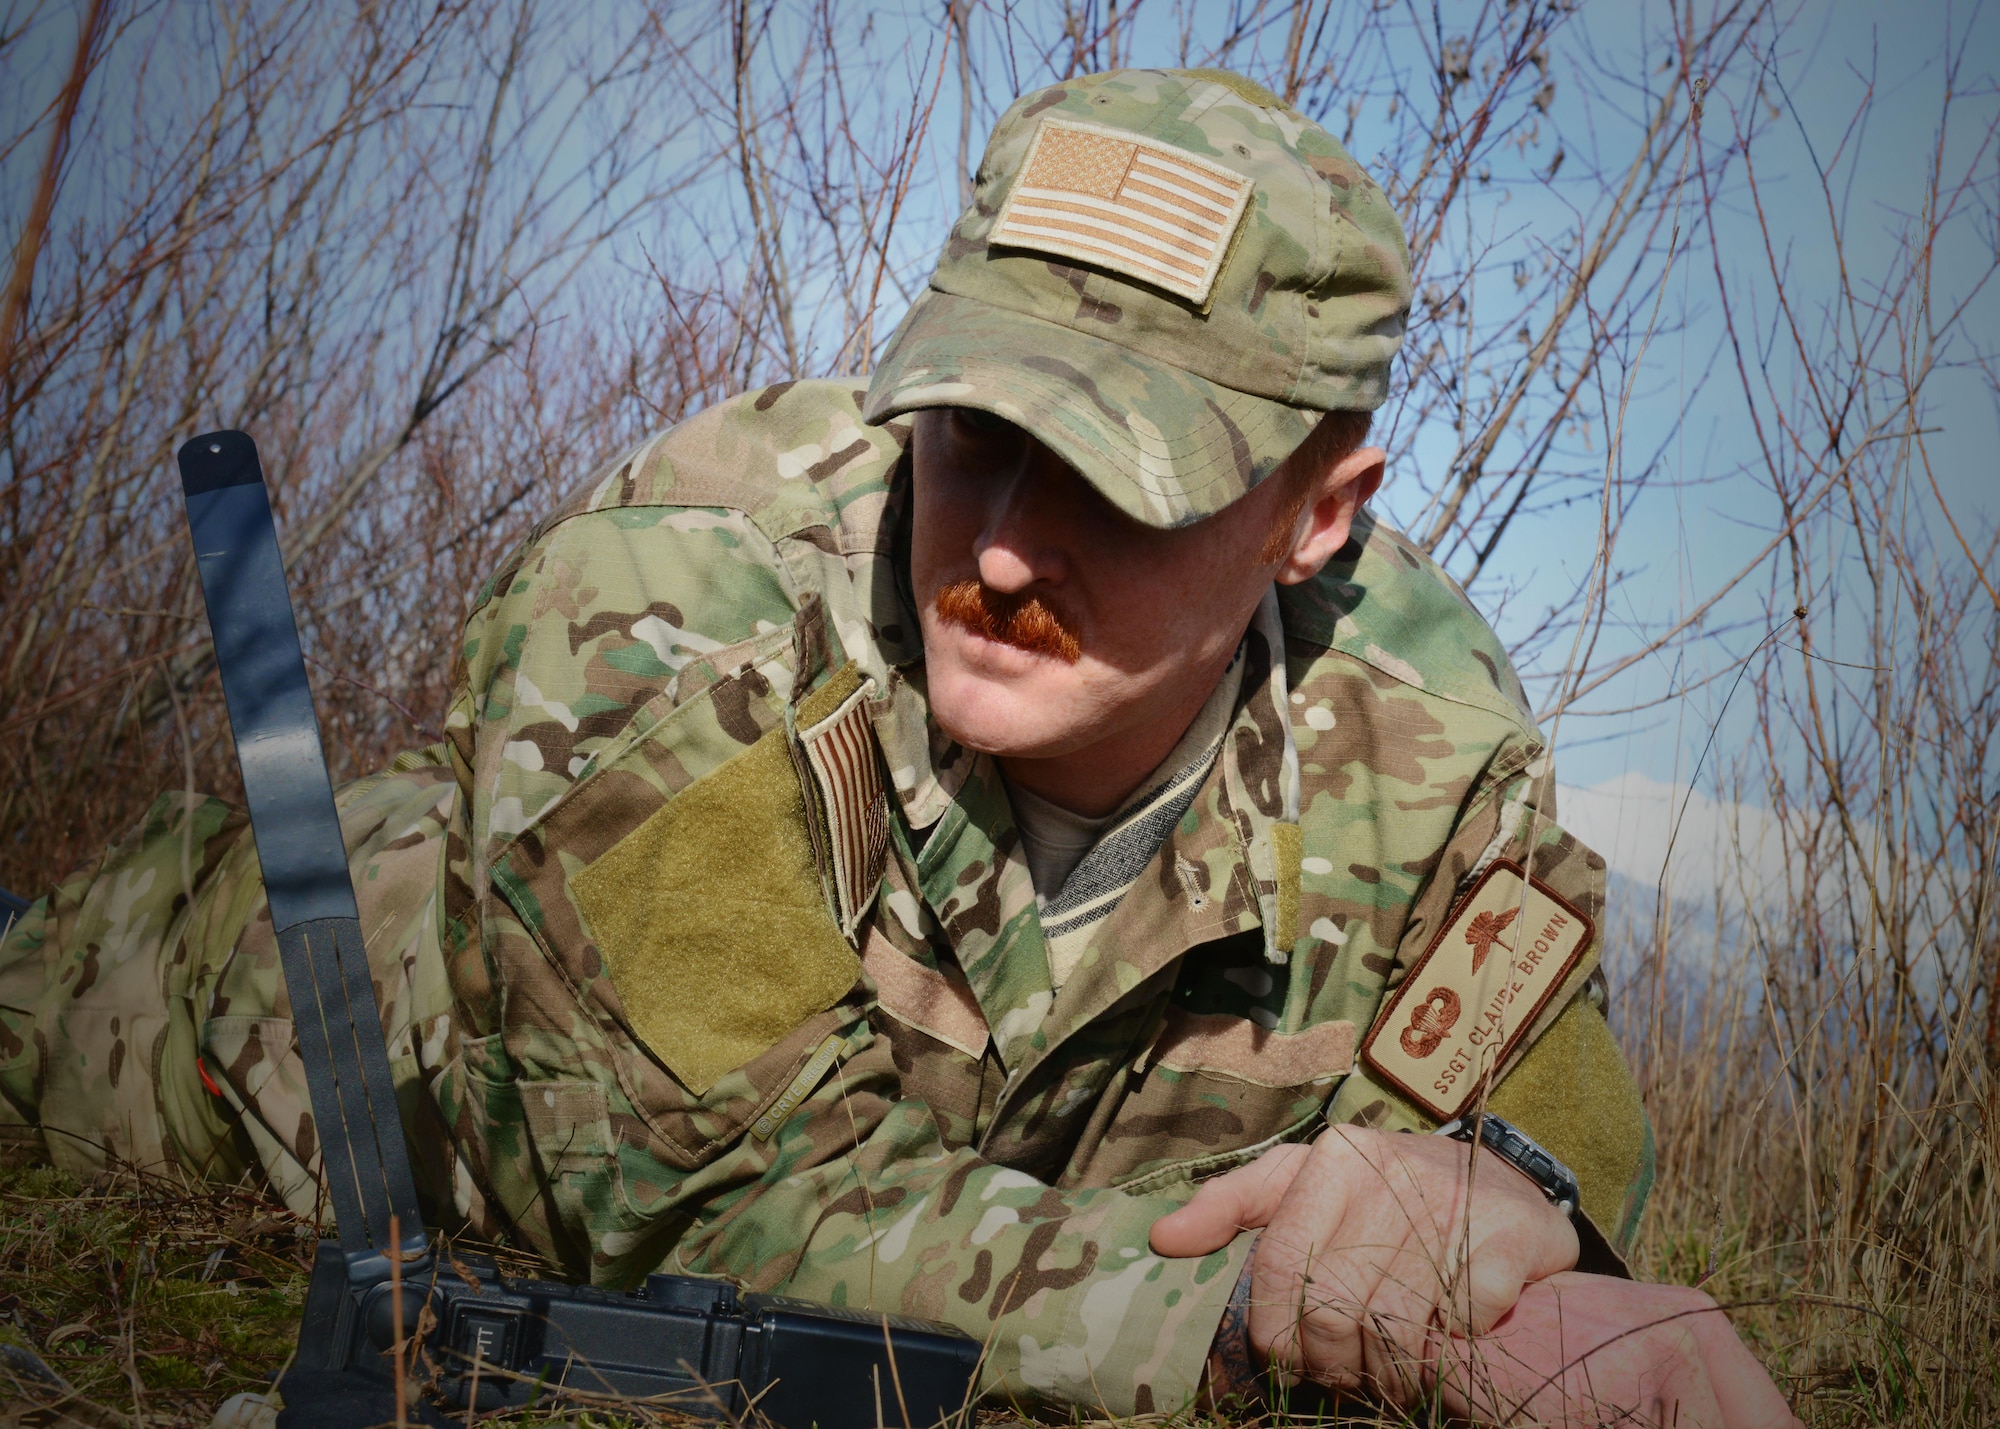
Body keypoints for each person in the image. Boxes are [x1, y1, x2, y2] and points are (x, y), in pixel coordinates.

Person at [0, 68, 1797, 1425]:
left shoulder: (1428, 732)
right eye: (978, 431)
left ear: (1316, 514)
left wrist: (1507, 1203)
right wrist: (1259, 1300)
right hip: (256, 1008)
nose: (1004, 545)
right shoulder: (669, 607)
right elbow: (714, 1209)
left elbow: (1542, 1104)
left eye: (1117, 478)